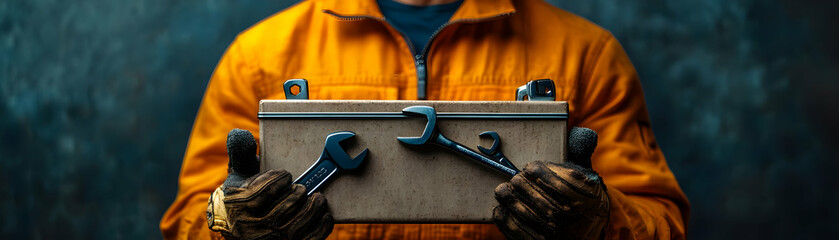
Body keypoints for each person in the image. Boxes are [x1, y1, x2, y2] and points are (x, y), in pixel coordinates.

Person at [160, 0, 690, 239]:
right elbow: (186, 220)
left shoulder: (584, 55)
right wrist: (228, 219)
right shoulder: (259, 57)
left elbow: (660, 220)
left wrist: (600, 221)